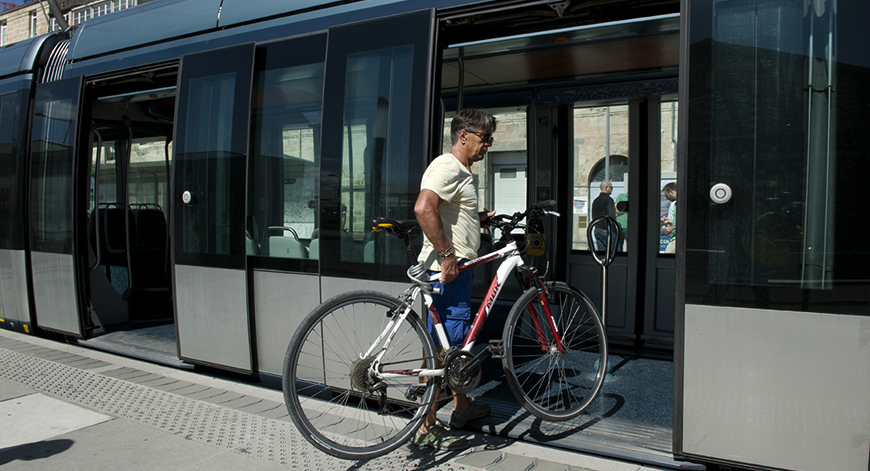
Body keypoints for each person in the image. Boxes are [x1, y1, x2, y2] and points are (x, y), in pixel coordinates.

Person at [412, 108, 496, 451]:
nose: (487, 145)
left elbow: (448, 211)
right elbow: (423, 208)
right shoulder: (447, 165)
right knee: (441, 353)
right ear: (464, 135)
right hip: (447, 271)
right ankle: (425, 426)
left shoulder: (461, 171)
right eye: (484, 138)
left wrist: (477, 220)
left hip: (456, 270)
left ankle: (461, 407)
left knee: (453, 348)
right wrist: (447, 255)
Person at [590, 180, 618, 253]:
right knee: (614, 253)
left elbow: (593, 214)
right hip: (606, 230)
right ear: (606, 188)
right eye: (611, 188)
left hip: (597, 230)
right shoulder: (609, 200)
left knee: (602, 254)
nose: (612, 190)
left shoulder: (596, 200)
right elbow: (611, 216)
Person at [661, 182, 676, 254]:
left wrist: (672, 227)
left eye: (667, 196)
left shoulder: (682, 203)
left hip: (677, 239)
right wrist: (669, 221)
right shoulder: (676, 204)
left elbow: (686, 221)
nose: (667, 199)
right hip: (674, 237)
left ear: (671, 192)